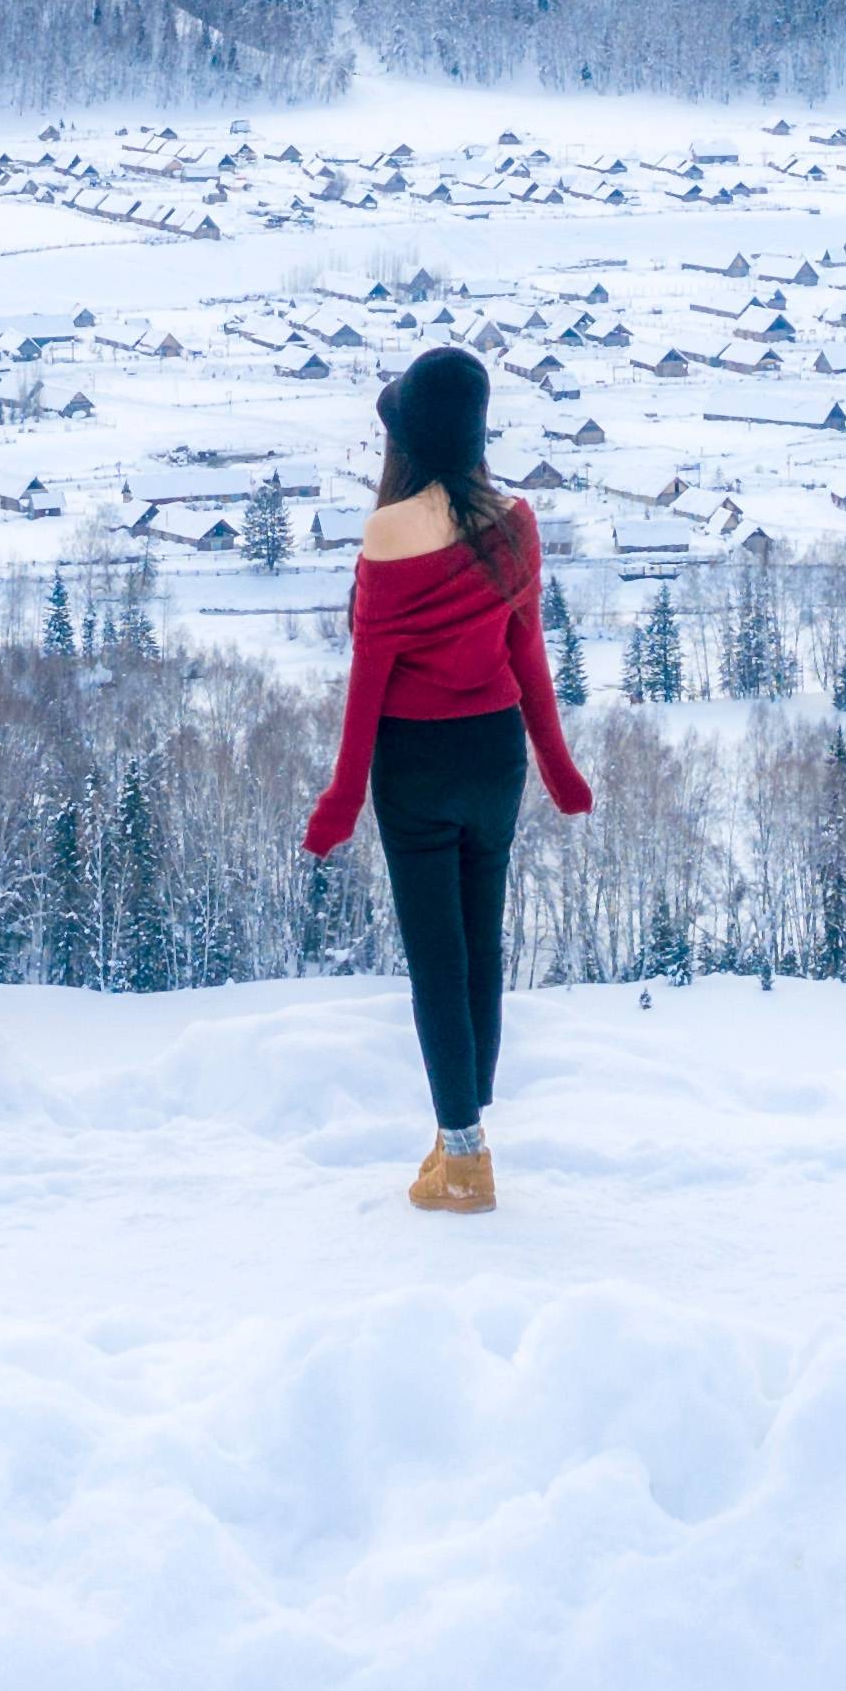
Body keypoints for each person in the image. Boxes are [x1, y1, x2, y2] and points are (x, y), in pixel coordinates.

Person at [300, 344, 592, 1211]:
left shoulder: (389, 533)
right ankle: (460, 1128)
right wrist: (561, 769)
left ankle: (464, 1162)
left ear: (407, 441)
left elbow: (369, 684)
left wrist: (339, 803)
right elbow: (528, 656)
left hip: (416, 764)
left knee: (436, 959)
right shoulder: (516, 520)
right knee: (481, 945)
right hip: (496, 756)